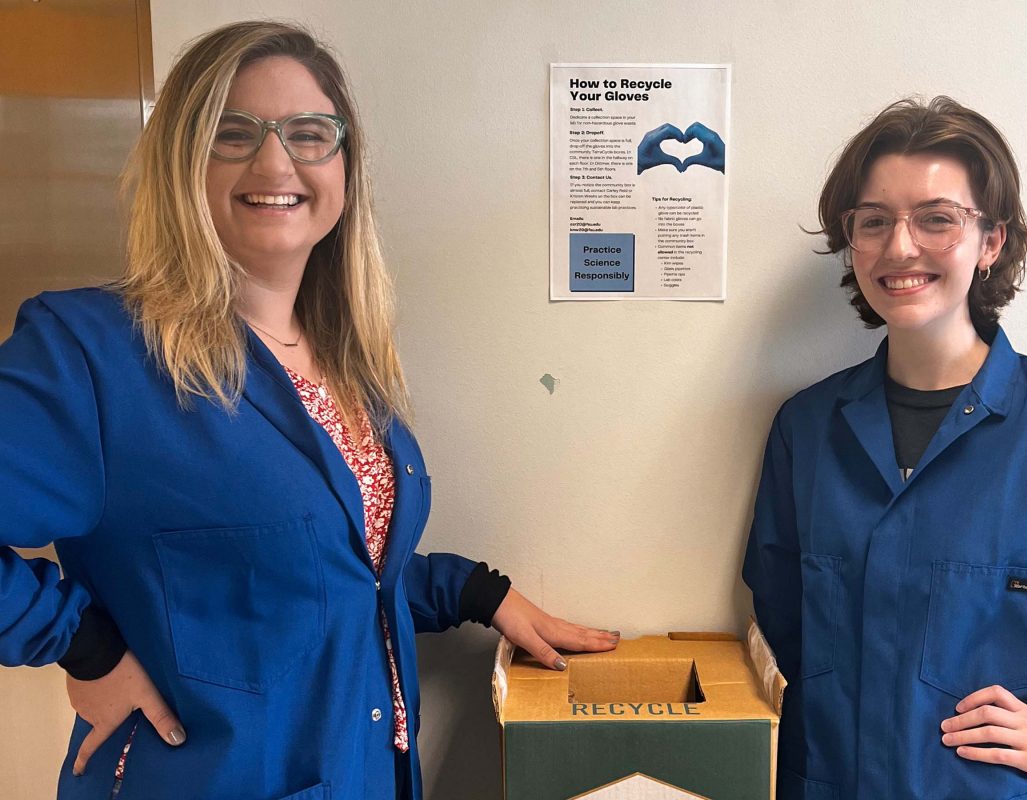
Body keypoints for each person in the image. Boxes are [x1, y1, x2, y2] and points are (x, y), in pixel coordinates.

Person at [0, 21, 618, 800]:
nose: (274, 161)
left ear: (345, 166)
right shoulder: (94, 356)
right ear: (180, 160)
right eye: (233, 133)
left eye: (308, 133)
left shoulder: (345, 363)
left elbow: (315, 571)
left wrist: (474, 592)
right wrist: (83, 647)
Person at [742, 96, 1027, 799]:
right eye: (874, 221)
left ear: (991, 241)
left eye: (936, 218)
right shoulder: (807, 429)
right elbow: (781, 638)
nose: (899, 247)